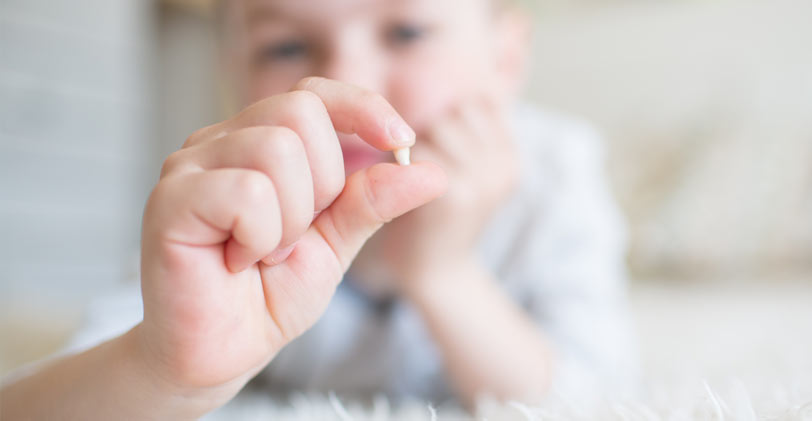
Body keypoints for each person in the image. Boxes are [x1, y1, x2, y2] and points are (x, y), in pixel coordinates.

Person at [0, 0, 636, 418]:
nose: (348, 79)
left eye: (407, 32)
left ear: (505, 58)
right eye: (284, 47)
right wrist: (161, 368)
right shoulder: (237, 192)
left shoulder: (555, 174)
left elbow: (595, 400)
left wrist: (441, 274)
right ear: (232, 73)